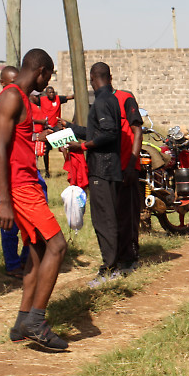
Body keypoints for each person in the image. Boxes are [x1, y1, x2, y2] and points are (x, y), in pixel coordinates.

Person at [0, 48, 68, 350]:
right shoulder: (11, 96)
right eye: (48, 76)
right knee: (57, 245)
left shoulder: (22, 99)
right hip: (19, 188)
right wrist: (5, 200)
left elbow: (23, 140)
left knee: (37, 249)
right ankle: (37, 321)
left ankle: (22, 322)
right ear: (41, 72)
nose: (47, 82)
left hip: (28, 184)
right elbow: (0, 149)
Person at [62, 63, 124, 288]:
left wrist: (83, 146)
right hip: (110, 167)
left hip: (102, 169)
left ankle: (110, 268)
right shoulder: (111, 99)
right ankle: (116, 263)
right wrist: (68, 127)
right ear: (110, 77)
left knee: (104, 221)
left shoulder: (101, 101)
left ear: (91, 79)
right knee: (110, 218)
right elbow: (96, 131)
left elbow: (108, 133)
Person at [0, 67, 29, 279]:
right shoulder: (2, 104)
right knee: (10, 220)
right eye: (11, 82)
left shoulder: (14, 100)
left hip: (19, 168)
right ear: (3, 83)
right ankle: (13, 263)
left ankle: (24, 260)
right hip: (6, 170)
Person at [114, 87, 144, 273]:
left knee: (129, 214)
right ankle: (118, 253)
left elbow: (137, 130)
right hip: (112, 168)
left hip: (128, 166)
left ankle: (131, 255)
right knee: (116, 214)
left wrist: (132, 165)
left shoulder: (125, 98)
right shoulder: (103, 100)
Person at [39, 86, 74, 178]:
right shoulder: (41, 100)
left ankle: (69, 169)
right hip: (46, 128)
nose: (52, 94)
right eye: (50, 92)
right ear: (46, 94)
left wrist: (78, 94)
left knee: (64, 147)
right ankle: (47, 171)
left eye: (53, 92)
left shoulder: (58, 99)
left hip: (56, 127)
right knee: (46, 151)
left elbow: (69, 97)